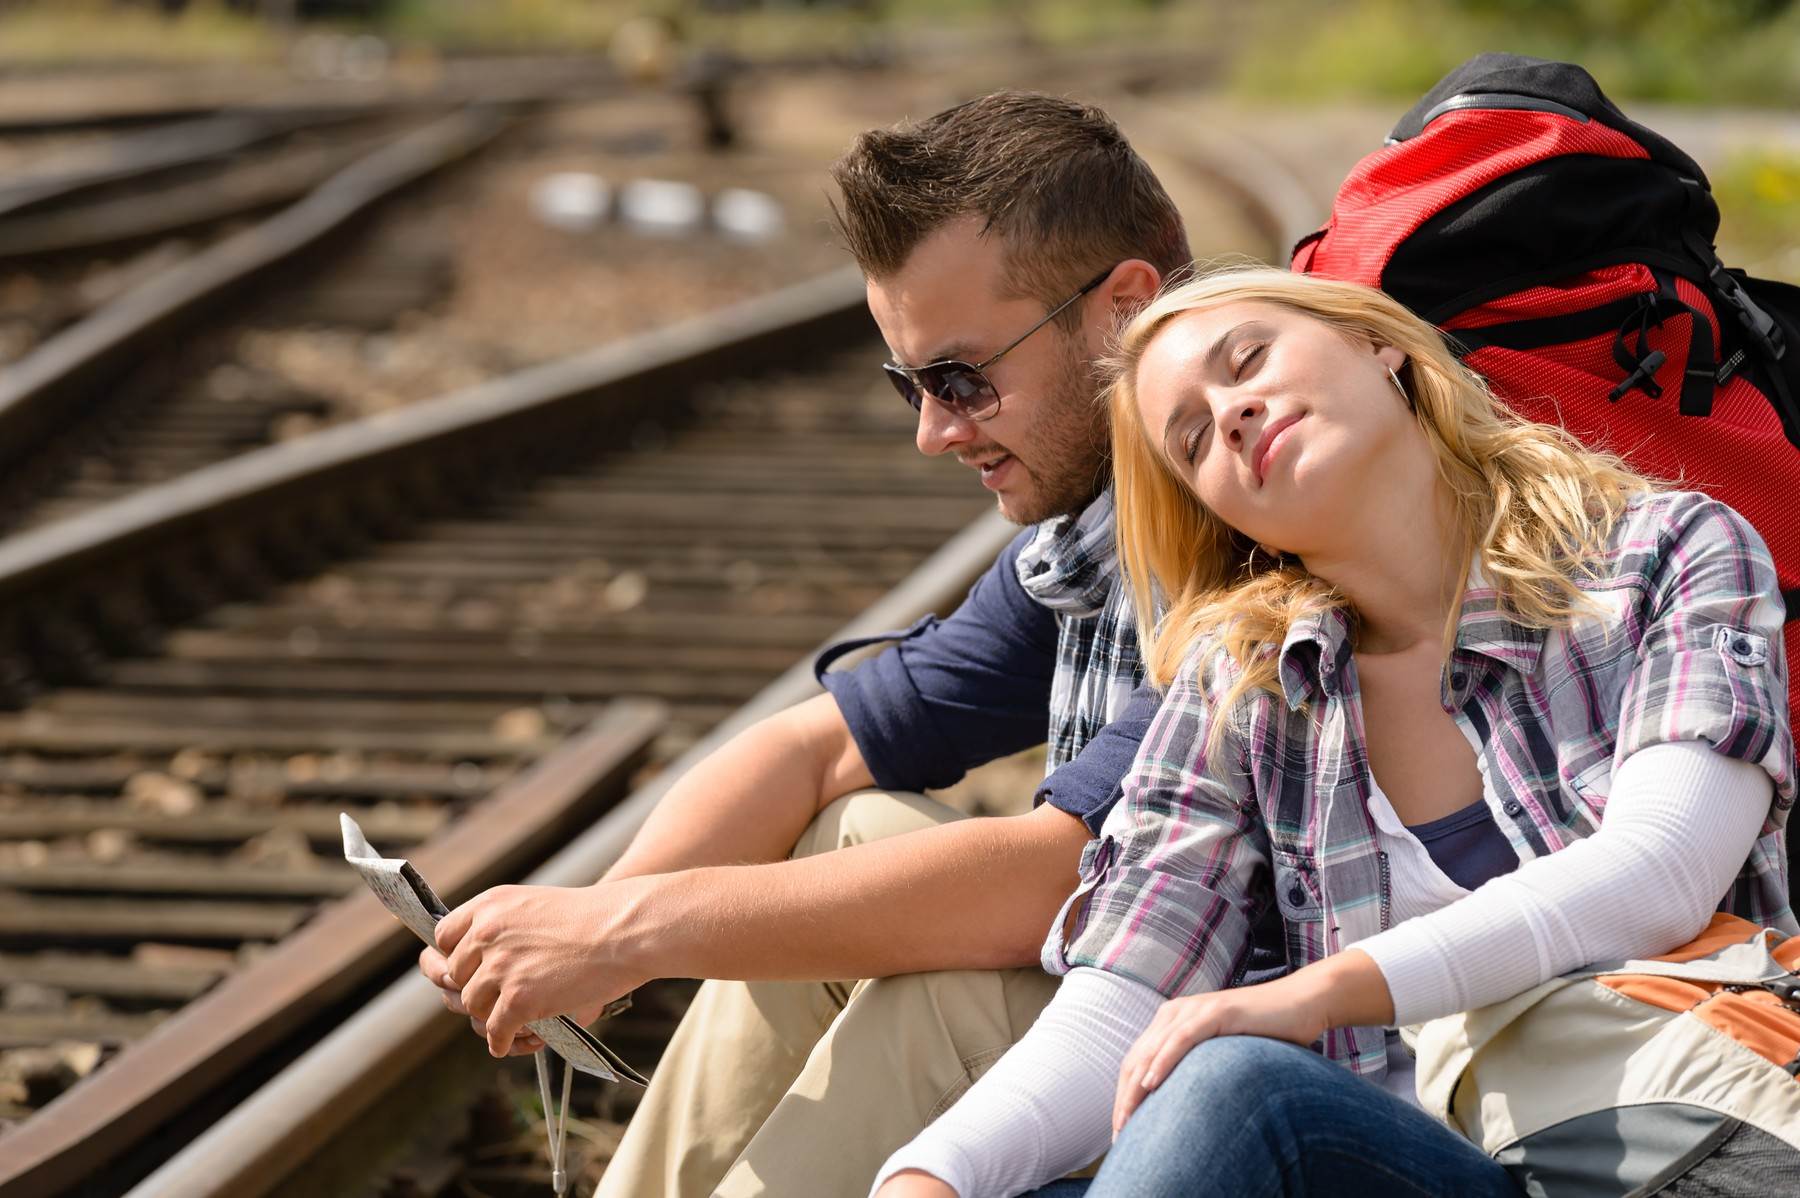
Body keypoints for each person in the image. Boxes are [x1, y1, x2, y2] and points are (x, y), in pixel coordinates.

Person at [417, 91, 1209, 1198]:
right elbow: (813, 750)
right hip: (1135, 1000)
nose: (934, 431)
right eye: (911, 384)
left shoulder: (1264, 500)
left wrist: (633, 933)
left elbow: (1073, 872)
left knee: (941, 989)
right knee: (846, 827)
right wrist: (599, 940)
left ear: (1122, 310)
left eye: (962, 379)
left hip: (1248, 1067)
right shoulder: (1110, 506)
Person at [872, 266, 1795, 1198]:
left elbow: (1664, 870)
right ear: (1221, 513)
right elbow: (1122, 1002)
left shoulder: (1661, 553)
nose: (1230, 415)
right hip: (1404, 1165)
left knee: (1236, 1087)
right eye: (1191, 440)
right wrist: (929, 1174)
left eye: (1250, 359)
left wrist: (1317, 993)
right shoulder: (1246, 687)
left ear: (1376, 342)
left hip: (1666, 1149)